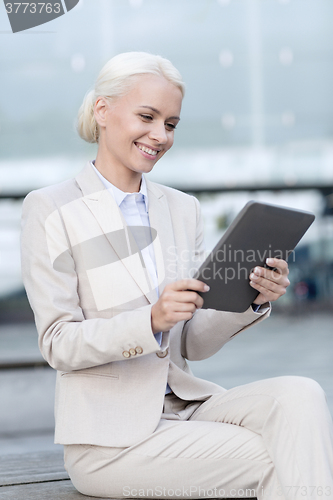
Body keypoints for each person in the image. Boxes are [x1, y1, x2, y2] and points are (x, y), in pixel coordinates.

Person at [21, 52, 333, 500]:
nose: (159, 135)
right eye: (147, 117)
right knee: (281, 454)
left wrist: (252, 297)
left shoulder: (182, 208)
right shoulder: (51, 208)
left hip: (188, 409)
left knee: (301, 394)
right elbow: (57, 342)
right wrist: (150, 320)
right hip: (111, 443)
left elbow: (193, 345)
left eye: (171, 124)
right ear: (102, 110)